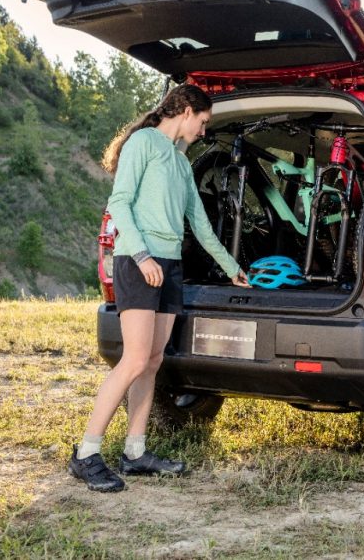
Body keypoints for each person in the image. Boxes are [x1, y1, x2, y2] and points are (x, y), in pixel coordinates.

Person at [68, 84, 250, 493]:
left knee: (151, 361)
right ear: (186, 110)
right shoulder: (144, 144)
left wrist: (232, 267)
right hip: (138, 261)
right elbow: (120, 203)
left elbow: (200, 225)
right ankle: (86, 453)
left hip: (169, 266)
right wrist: (143, 257)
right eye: (203, 122)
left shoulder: (181, 163)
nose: (204, 131)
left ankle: (135, 452)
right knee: (132, 361)